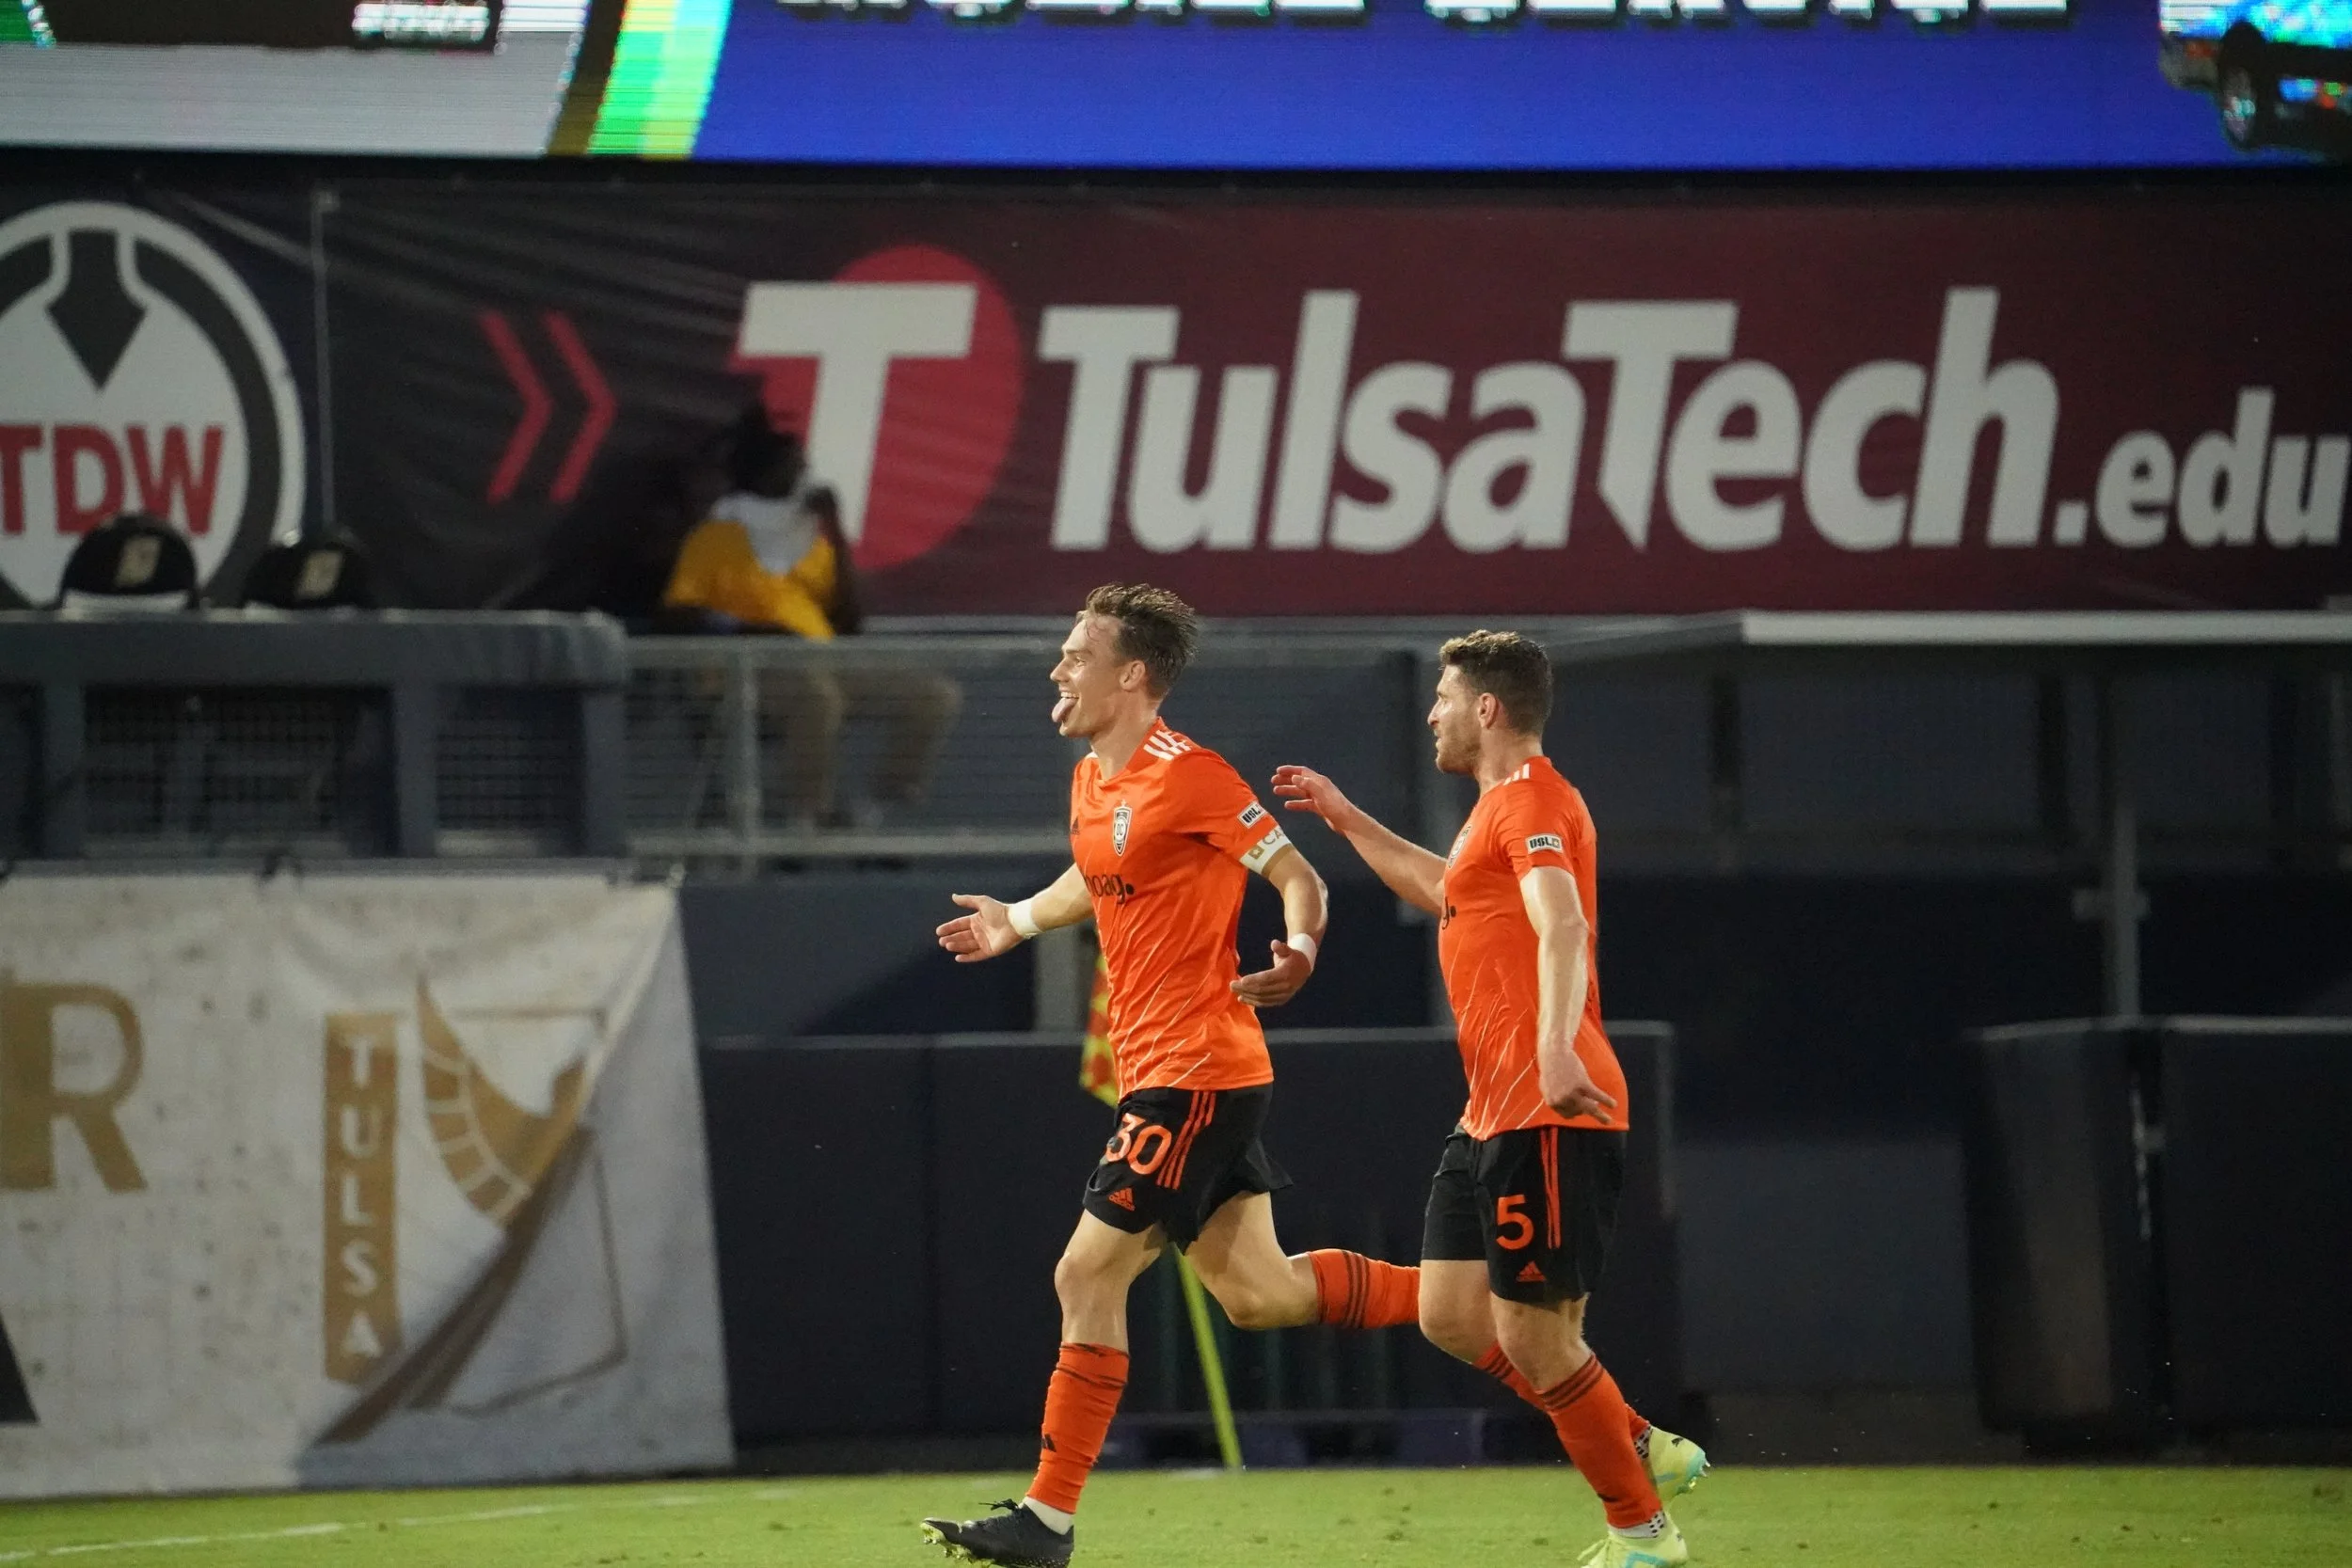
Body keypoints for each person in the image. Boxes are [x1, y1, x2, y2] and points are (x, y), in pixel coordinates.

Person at [920, 584, 1422, 1568]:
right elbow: (1090, 876)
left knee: (1084, 1270)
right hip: (1184, 1071)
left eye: (1075, 654)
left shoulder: (1189, 774)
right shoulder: (1091, 782)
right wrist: (1014, 919)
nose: (1056, 670)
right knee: (1261, 1294)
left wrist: (1303, 948)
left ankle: (1047, 1519)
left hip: (1193, 1071)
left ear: (1131, 674)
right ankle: (1468, 1298)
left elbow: (1297, 875)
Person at [1272, 631, 1708, 1568]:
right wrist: (1348, 819)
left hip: (1548, 1102)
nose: (1429, 710)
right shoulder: (1488, 817)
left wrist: (1554, 1045)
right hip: (1490, 1112)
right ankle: (1635, 1441)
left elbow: (1564, 923)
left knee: (1535, 1334)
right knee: (1450, 1313)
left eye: (1442, 695)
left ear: (1486, 709)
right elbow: (1443, 889)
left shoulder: (1538, 801)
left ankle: (1642, 1534)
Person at [660, 404, 960, 827]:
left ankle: (872, 809)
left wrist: (835, 531)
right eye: (792, 468)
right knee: (817, 696)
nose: (803, 477)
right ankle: (807, 821)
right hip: (743, 674)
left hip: (820, 661)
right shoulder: (714, 538)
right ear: (763, 475)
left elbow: (850, 622)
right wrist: (752, 632)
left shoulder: (810, 541)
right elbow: (679, 612)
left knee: (933, 696)